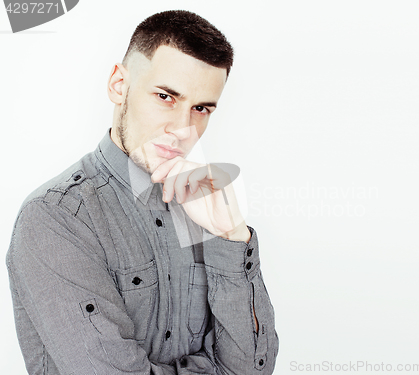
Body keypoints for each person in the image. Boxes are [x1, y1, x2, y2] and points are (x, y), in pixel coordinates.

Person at [6, 10, 279, 375]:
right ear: (120, 85)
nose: (182, 128)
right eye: (166, 96)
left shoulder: (206, 209)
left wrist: (231, 236)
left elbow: (252, 367)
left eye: (200, 108)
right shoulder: (55, 218)